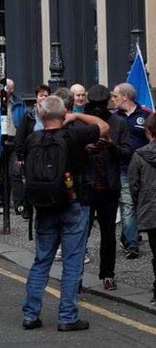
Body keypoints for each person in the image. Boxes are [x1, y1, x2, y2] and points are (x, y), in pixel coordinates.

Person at [21, 95, 109, 332]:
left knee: (41, 261)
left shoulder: (32, 139)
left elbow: (21, 161)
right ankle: (68, 317)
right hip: (74, 204)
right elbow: (103, 126)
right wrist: (78, 115)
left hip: (44, 206)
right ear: (64, 115)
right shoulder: (74, 136)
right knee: (72, 263)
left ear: (40, 115)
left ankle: (30, 315)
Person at [82, 84, 130, 290]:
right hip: (86, 185)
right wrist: (86, 149)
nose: (98, 110)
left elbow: (128, 152)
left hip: (109, 187)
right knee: (80, 233)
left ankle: (108, 274)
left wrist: (112, 146)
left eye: (101, 106)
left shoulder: (118, 123)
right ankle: (75, 277)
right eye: (94, 106)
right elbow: (70, 151)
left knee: (108, 234)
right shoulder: (81, 123)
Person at [113, 82, 152, 259]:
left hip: (145, 170)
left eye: (115, 96)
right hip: (123, 168)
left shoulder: (145, 115)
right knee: (127, 205)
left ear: (125, 97)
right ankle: (132, 244)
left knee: (138, 204)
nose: (113, 99)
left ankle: (126, 235)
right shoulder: (114, 118)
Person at [0, 78, 25, 215]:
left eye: (6, 88)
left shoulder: (19, 103)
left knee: (16, 173)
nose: (3, 91)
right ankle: (3, 204)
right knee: (2, 176)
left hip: (15, 141)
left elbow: (23, 121)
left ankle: (20, 204)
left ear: (11, 90)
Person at [128, 114, 156, 305]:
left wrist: (141, 204)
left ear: (147, 131)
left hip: (150, 210)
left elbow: (133, 186)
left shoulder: (138, 155)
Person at [13, 84, 52, 214]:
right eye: (41, 95)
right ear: (36, 98)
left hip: (48, 155)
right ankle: (28, 208)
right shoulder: (28, 116)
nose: (44, 98)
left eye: (46, 96)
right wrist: (20, 156)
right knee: (29, 182)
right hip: (31, 156)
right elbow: (20, 136)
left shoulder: (53, 115)